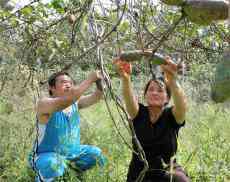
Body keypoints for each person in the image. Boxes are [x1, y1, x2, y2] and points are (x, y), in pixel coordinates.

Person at [114, 57, 190, 182]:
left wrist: (172, 80)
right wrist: (125, 77)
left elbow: (182, 106)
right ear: (145, 95)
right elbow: (128, 98)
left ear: (167, 98)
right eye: (151, 89)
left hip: (167, 168)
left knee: (180, 179)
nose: (154, 93)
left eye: (160, 90)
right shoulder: (138, 113)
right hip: (140, 170)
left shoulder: (172, 116)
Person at [29, 71, 106, 182]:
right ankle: (45, 177)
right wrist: (90, 79)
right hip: (45, 155)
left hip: (73, 154)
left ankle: (71, 175)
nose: (68, 85)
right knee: (54, 164)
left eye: (71, 83)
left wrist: (99, 81)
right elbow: (67, 100)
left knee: (96, 154)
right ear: (52, 88)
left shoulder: (75, 103)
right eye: (64, 82)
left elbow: (97, 96)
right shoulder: (44, 104)